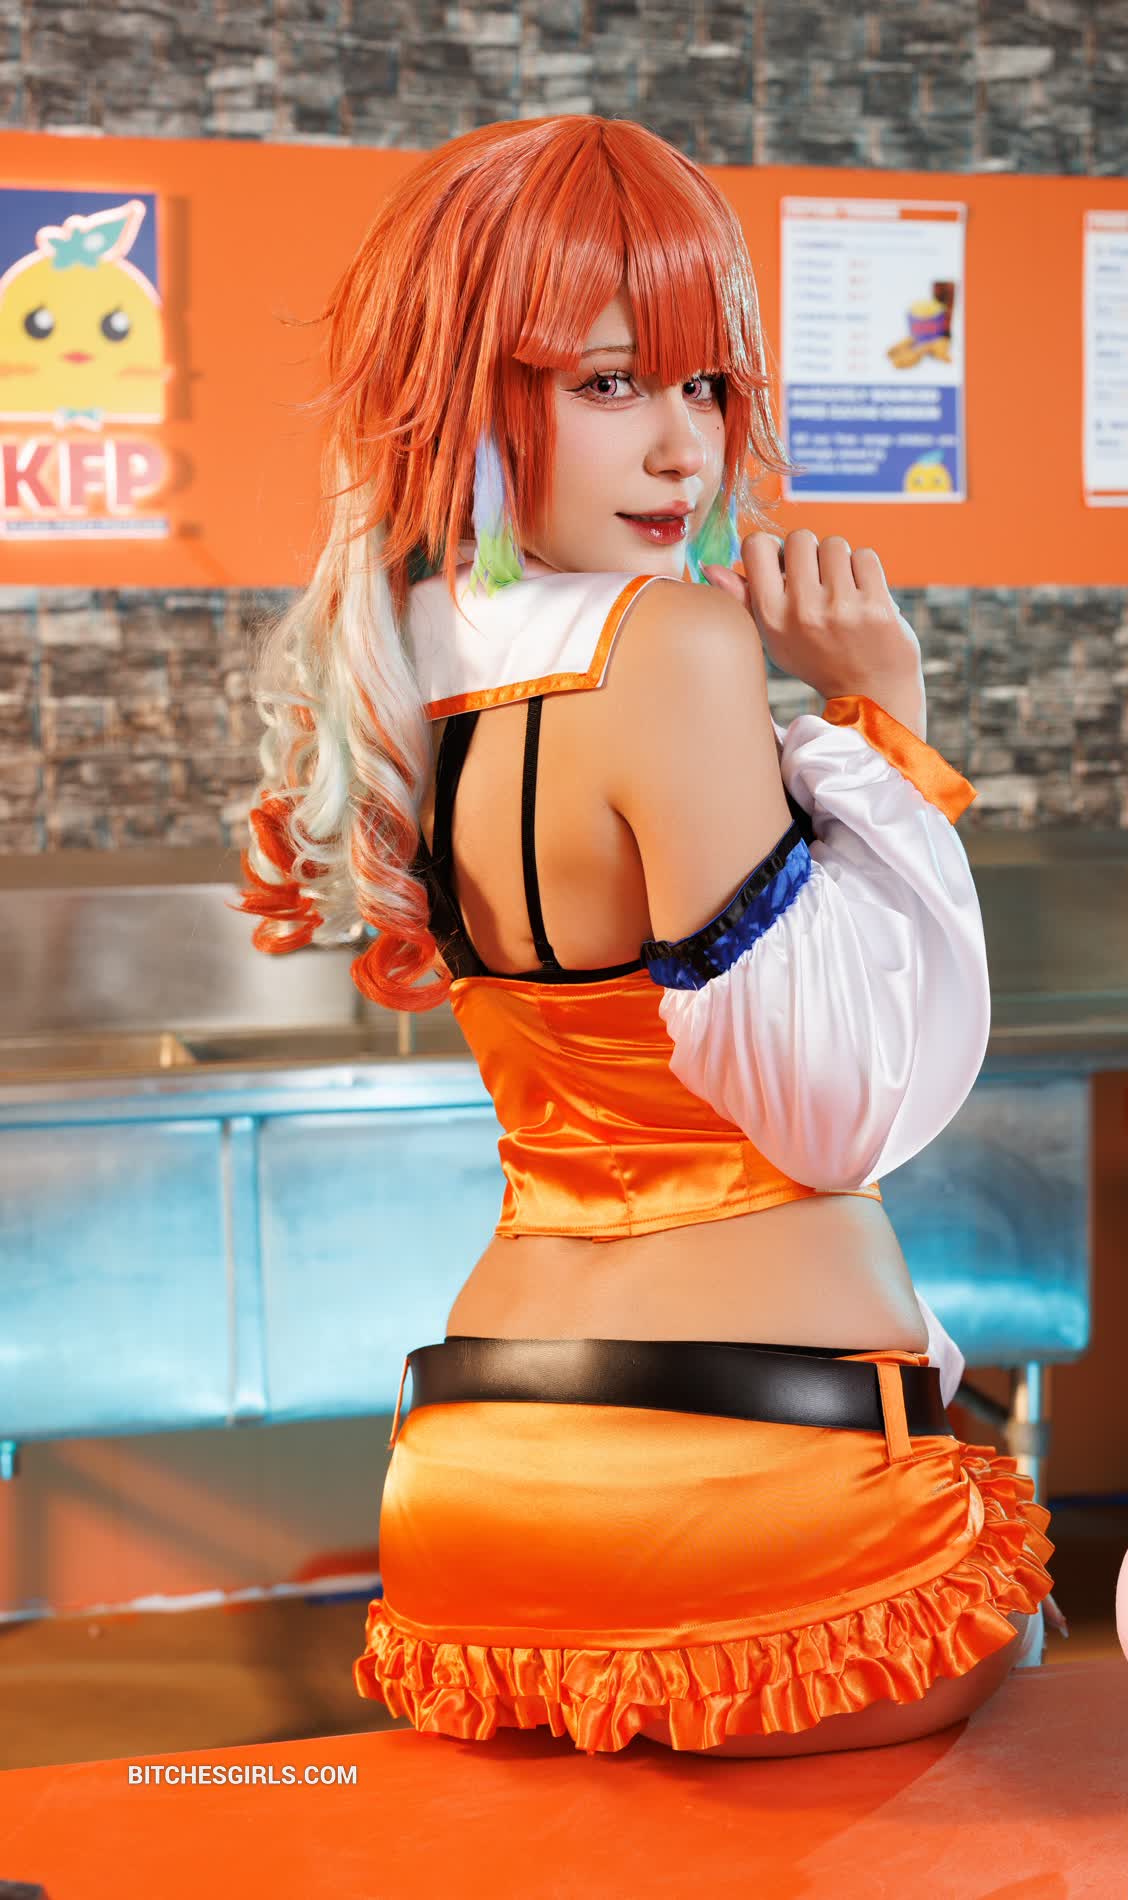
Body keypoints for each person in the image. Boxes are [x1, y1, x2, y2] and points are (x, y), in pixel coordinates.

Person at [234, 114, 1054, 1758]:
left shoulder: (409, 656)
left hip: (471, 1494)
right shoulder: (672, 642)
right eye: (611, 384)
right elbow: (836, 1112)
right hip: (765, 1495)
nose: (685, 451)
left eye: (708, 384)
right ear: (470, 395)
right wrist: (885, 717)